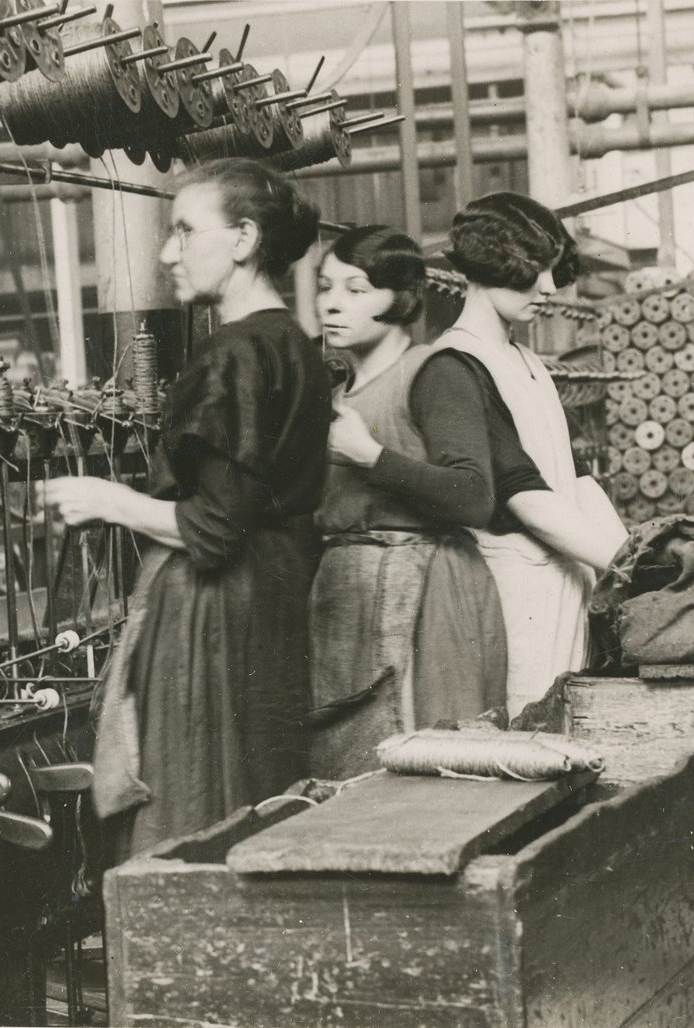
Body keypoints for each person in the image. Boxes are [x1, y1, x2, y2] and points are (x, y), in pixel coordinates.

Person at [40, 158, 330, 857]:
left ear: (242, 240)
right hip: (274, 598)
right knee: (257, 798)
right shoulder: (293, 343)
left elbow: (213, 527)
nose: (168, 253)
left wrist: (107, 499)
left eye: (184, 230)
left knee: (192, 802)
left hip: (213, 610)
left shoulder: (232, 354)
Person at [307, 227, 508, 779]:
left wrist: (371, 456)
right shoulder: (336, 396)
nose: (331, 303)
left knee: (431, 767)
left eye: (355, 288)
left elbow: (475, 497)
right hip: (352, 597)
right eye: (325, 287)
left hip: (428, 594)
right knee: (354, 766)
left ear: (401, 296)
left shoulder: (434, 371)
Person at [431, 192, 628, 713]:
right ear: (490, 261)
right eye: (532, 271)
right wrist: (622, 564)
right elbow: (522, 492)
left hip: (567, 587)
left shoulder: (527, 361)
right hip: (514, 596)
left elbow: (578, 477)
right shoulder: (455, 366)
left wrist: (632, 558)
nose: (548, 287)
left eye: (550, 270)